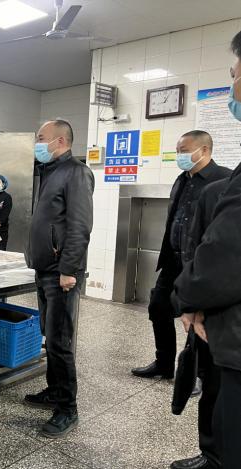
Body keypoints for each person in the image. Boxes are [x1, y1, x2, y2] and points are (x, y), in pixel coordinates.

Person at [173, 31, 241, 469]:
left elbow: (225, 252)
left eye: (235, 73)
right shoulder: (184, 181)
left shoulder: (223, 180)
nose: (232, 83)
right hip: (201, 289)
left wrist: (191, 296)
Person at [131, 131, 231, 381]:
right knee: (158, 308)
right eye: (178, 151)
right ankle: (164, 363)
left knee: (197, 318)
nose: (179, 156)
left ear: (204, 150)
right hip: (173, 260)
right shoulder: (181, 180)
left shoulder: (224, 180)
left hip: (200, 264)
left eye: (184, 151)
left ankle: (196, 373)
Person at [23, 119, 94, 438]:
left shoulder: (76, 172)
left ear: (60, 141)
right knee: (49, 336)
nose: (37, 143)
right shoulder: (50, 172)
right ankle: (54, 391)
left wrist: (68, 269)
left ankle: (68, 409)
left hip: (61, 273)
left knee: (60, 340)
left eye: (41, 138)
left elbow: (80, 226)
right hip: (45, 269)